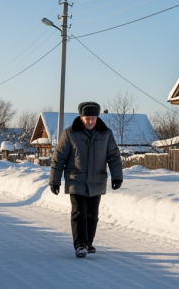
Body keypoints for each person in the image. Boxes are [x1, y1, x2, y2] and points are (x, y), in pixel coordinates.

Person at [49, 101, 123, 258]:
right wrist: (54, 180)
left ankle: (88, 242)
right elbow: (58, 158)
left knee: (92, 215)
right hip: (75, 180)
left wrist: (117, 176)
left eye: (93, 118)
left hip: (97, 181)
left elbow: (114, 157)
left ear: (97, 118)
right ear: (81, 118)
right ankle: (80, 245)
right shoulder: (69, 133)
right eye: (86, 118)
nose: (90, 121)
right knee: (78, 213)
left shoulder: (106, 134)